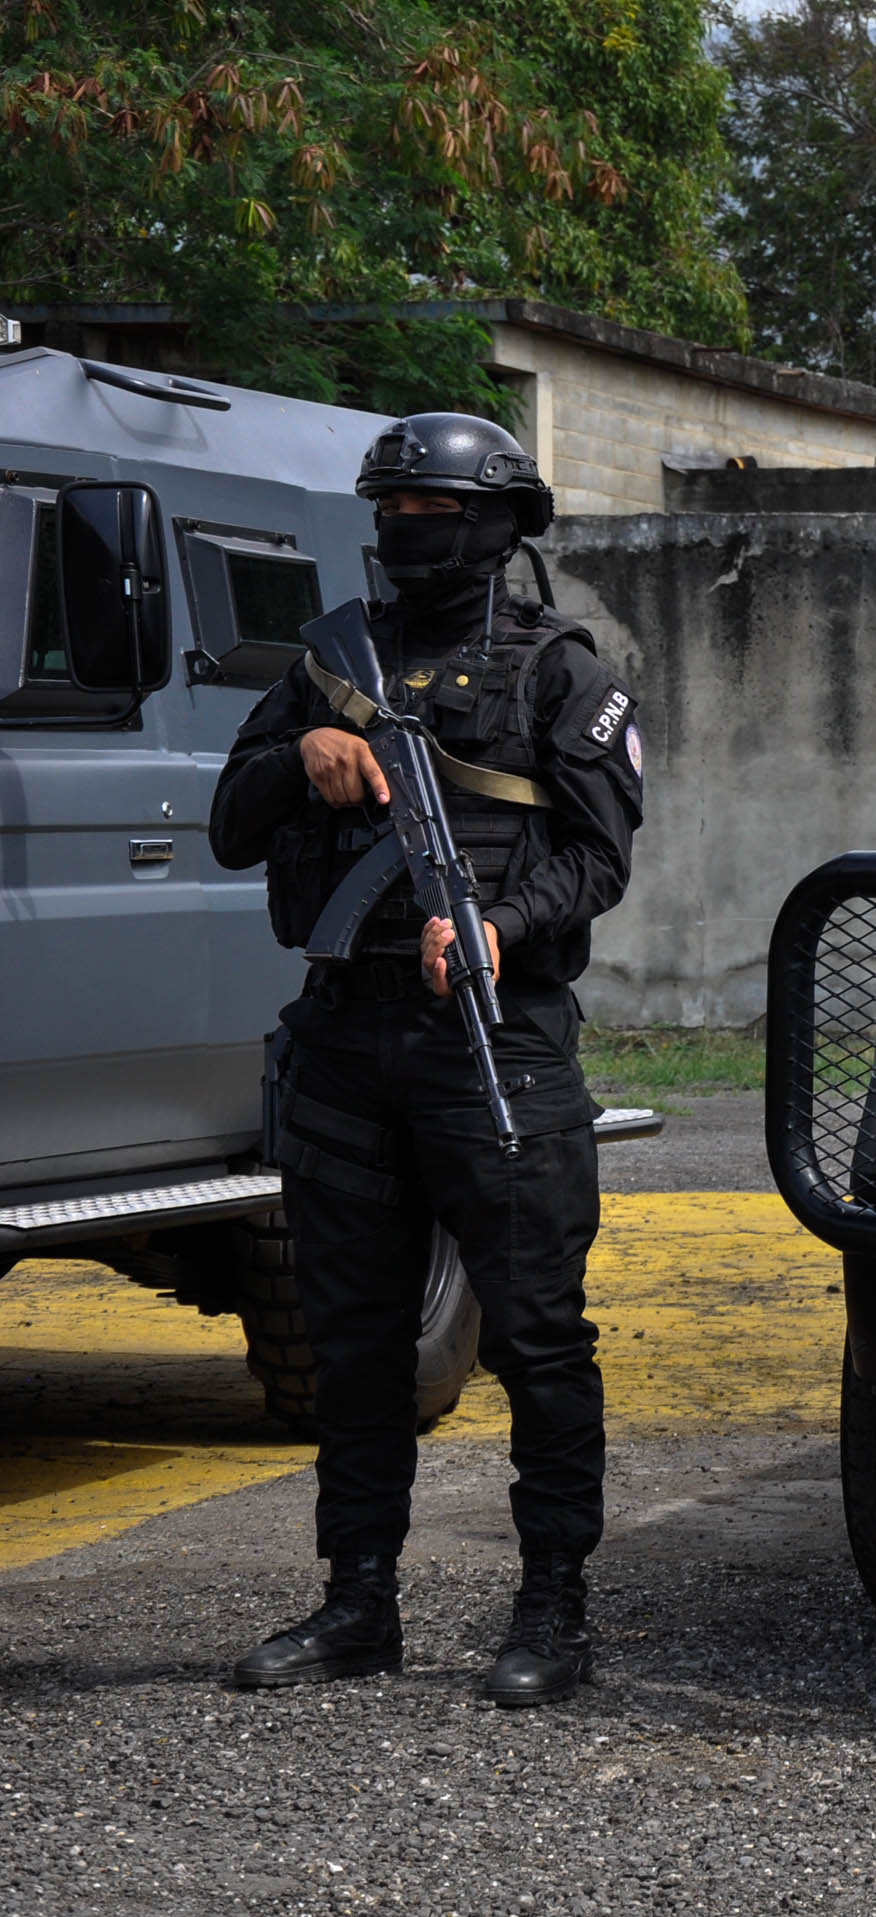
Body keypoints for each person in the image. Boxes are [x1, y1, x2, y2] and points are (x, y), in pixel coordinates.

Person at [209, 413, 644, 1707]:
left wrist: (498, 926)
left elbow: (600, 856)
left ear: (501, 526)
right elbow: (235, 825)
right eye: (391, 510)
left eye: (433, 511)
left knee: (537, 1336)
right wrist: (303, 758)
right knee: (351, 1343)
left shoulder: (565, 673)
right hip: (347, 1040)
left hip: (492, 1040)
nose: (410, 532)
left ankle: (553, 1608)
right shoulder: (327, 666)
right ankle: (358, 1602)